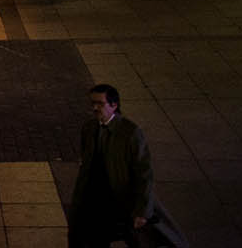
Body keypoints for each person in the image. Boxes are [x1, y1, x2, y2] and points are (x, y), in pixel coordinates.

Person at [69, 84, 185, 247]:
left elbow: (143, 173)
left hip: (120, 199)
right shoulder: (89, 128)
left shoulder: (130, 133)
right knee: (91, 237)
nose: (95, 108)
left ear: (114, 105)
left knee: (136, 238)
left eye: (100, 104)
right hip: (95, 197)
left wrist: (142, 211)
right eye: (92, 103)